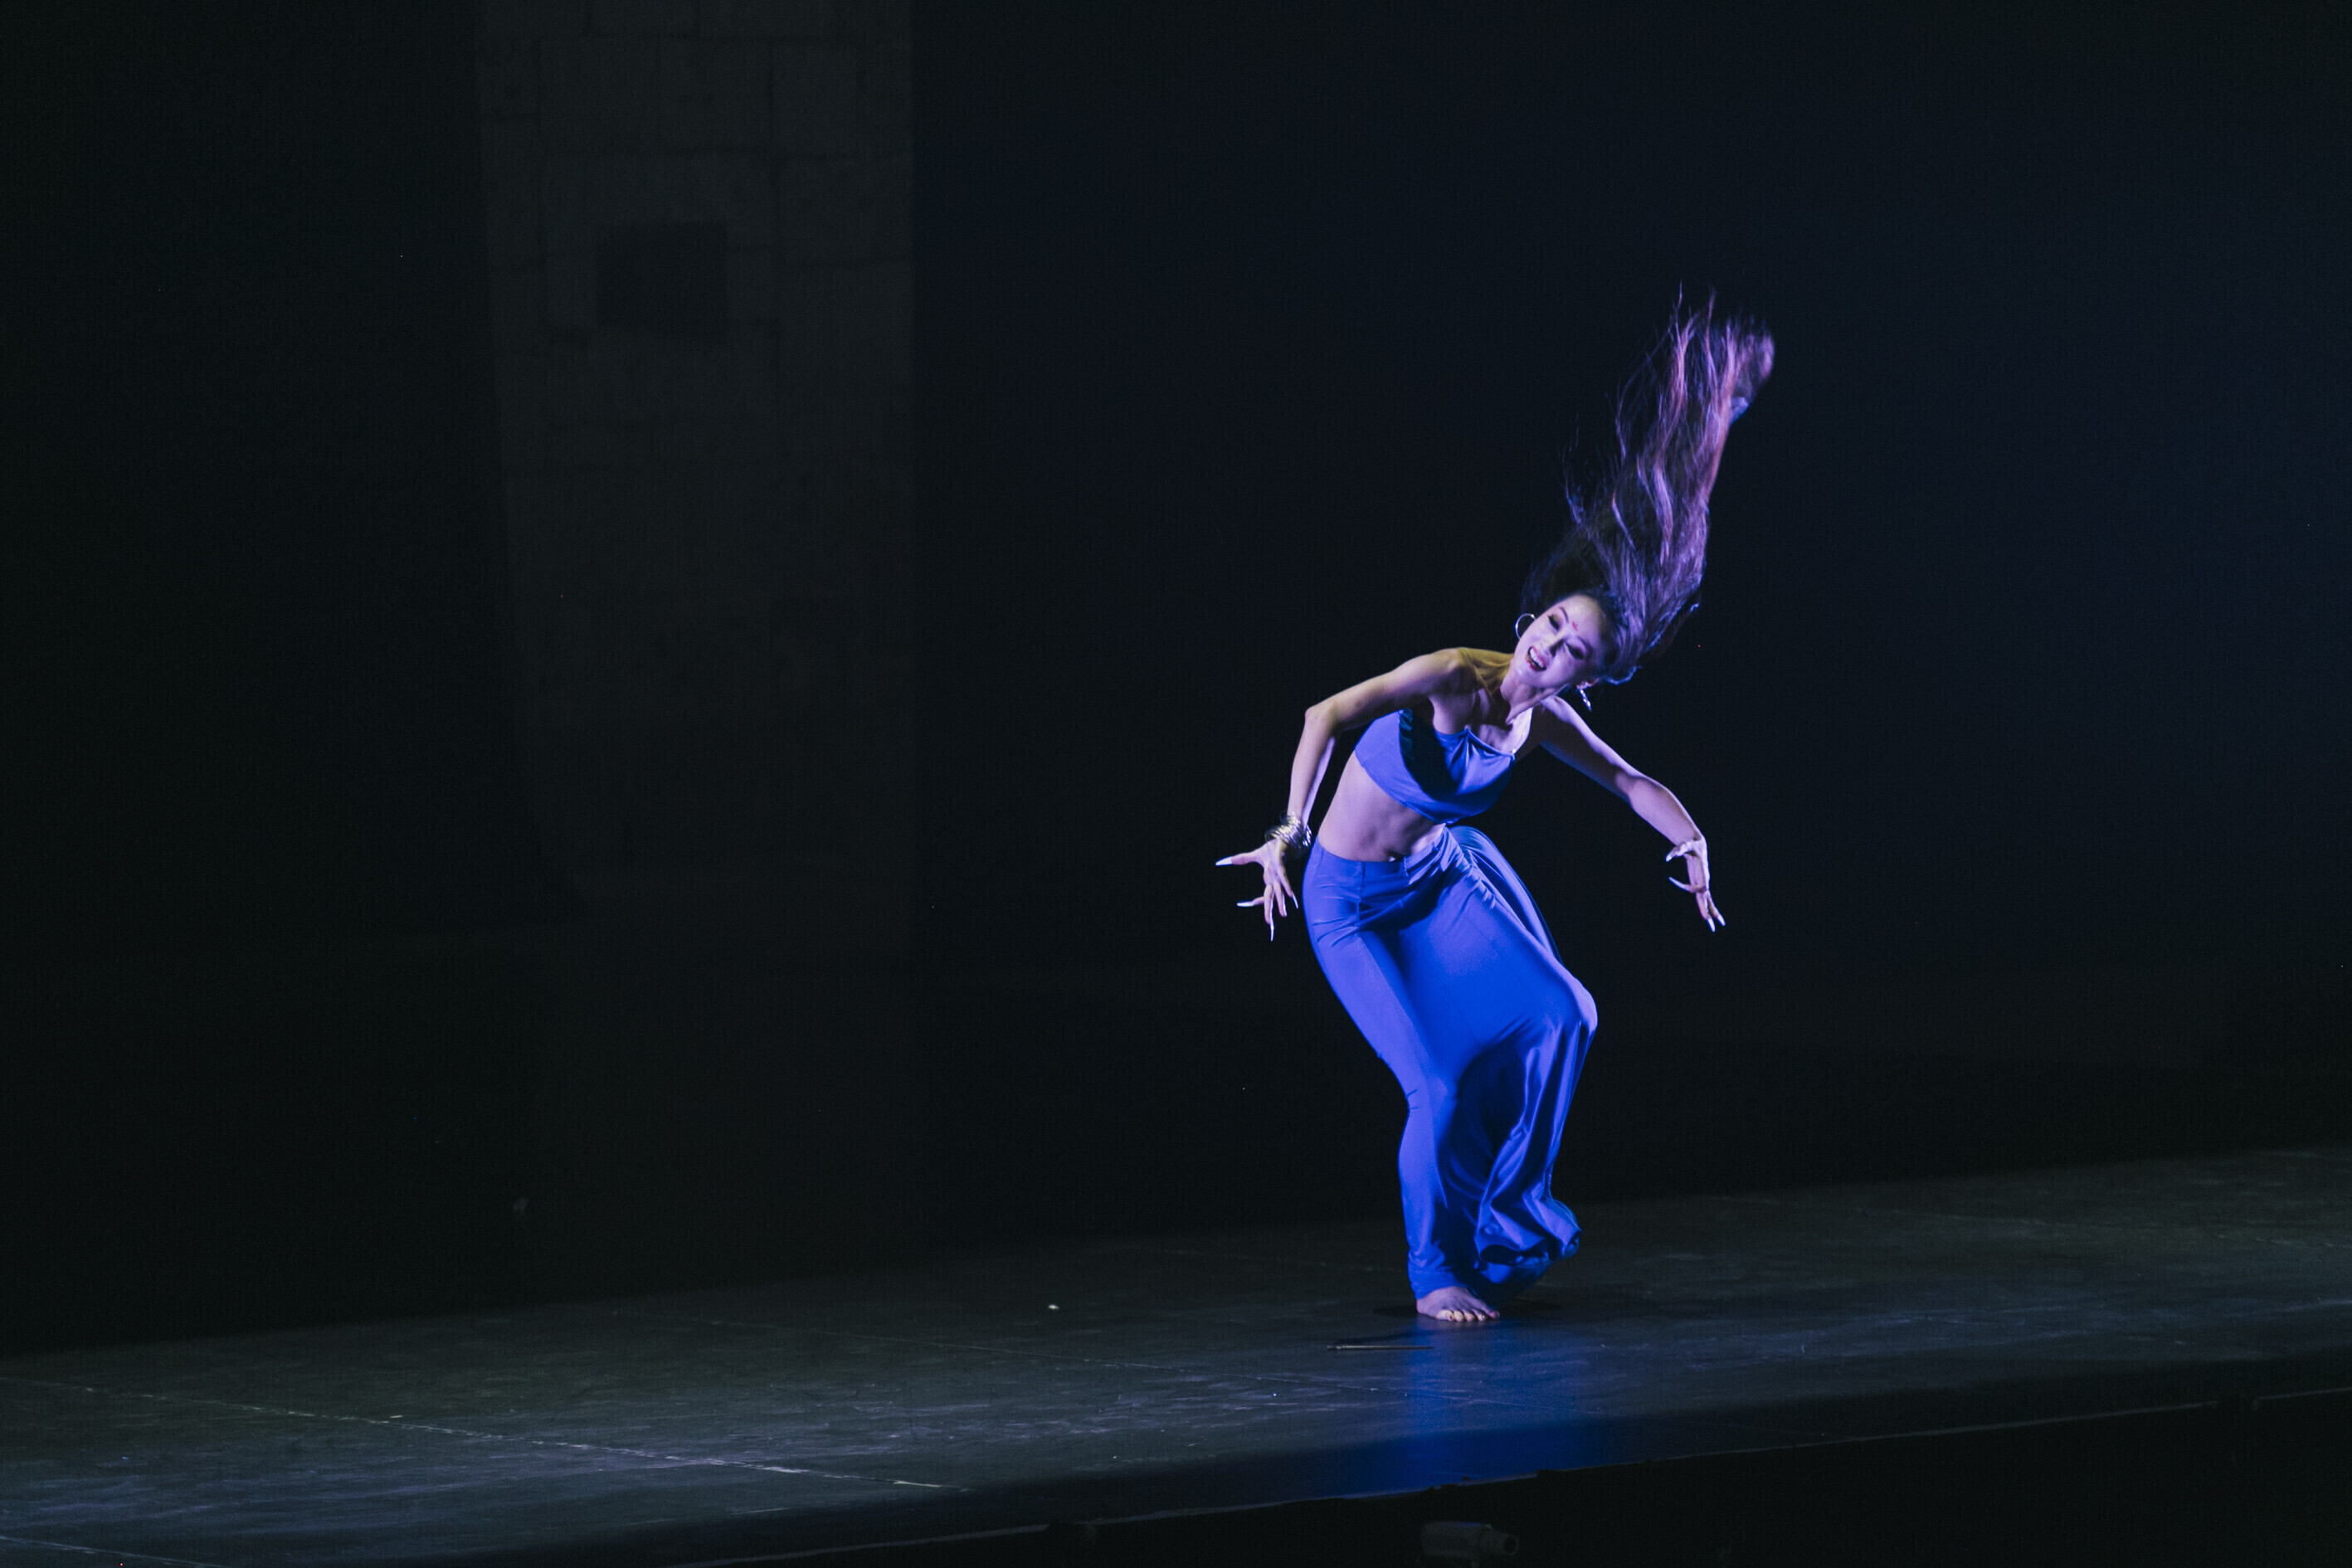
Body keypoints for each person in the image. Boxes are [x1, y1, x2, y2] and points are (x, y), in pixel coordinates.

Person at [1218, 304, 1773, 1324]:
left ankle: (1505, 1219)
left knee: (1566, 1014)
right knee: (1436, 1083)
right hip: (1348, 901)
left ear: (1587, 678)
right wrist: (1284, 836)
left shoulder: (1544, 719)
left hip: (1439, 881)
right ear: (1533, 618)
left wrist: (1692, 840)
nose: (1549, 649)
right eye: (1553, 626)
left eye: (1573, 652)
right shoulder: (1452, 676)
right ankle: (1434, 1271)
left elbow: (1630, 781)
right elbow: (1324, 716)